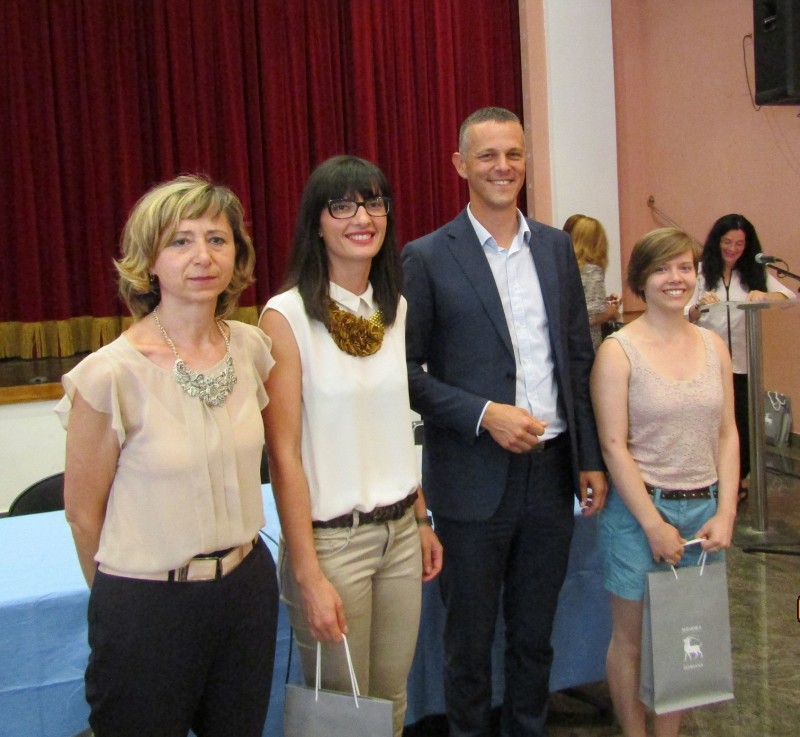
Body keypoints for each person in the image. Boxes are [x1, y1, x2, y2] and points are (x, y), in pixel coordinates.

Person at [402, 107, 606, 737]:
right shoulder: (426, 257)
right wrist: (484, 414)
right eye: (487, 155)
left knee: (534, 636)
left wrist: (590, 458)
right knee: (468, 644)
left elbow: (577, 357)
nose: (503, 167)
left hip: (551, 471)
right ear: (460, 165)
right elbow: (404, 372)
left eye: (514, 154)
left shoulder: (555, 248)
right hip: (470, 478)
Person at [56, 175, 279, 737]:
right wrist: (125, 608)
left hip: (246, 589)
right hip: (148, 603)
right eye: (181, 241)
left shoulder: (251, 348)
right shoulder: (109, 373)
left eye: (217, 239)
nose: (203, 255)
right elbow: (82, 514)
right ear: (149, 261)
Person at [259, 155, 442, 737]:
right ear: (316, 224)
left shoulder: (394, 309)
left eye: (373, 203)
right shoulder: (286, 317)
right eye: (342, 206)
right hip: (332, 545)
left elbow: (393, 424)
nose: (362, 218)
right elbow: (283, 456)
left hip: (400, 536)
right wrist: (308, 574)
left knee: (391, 702)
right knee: (343, 713)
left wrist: (420, 518)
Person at [591, 227, 738, 737]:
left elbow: (728, 433)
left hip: (704, 512)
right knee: (630, 641)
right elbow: (614, 446)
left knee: (683, 635)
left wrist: (726, 512)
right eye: (661, 269)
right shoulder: (619, 351)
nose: (675, 279)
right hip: (639, 514)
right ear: (640, 279)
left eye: (684, 268)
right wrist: (653, 525)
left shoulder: (714, 346)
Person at [687, 214, 796, 503]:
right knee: (711, 423)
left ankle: (738, 481)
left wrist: (765, 296)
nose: (733, 249)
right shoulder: (700, 272)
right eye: (727, 242)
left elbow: (788, 297)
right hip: (707, 363)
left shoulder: (754, 272)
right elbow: (686, 313)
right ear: (717, 241)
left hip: (745, 364)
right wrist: (699, 306)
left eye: (739, 243)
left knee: (742, 424)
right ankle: (711, 480)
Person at [564, 214, 621, 351]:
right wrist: (611, 312)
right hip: (586, 345)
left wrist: (604, 301)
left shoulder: (562, 268)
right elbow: (590, 315)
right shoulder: (592, 271)